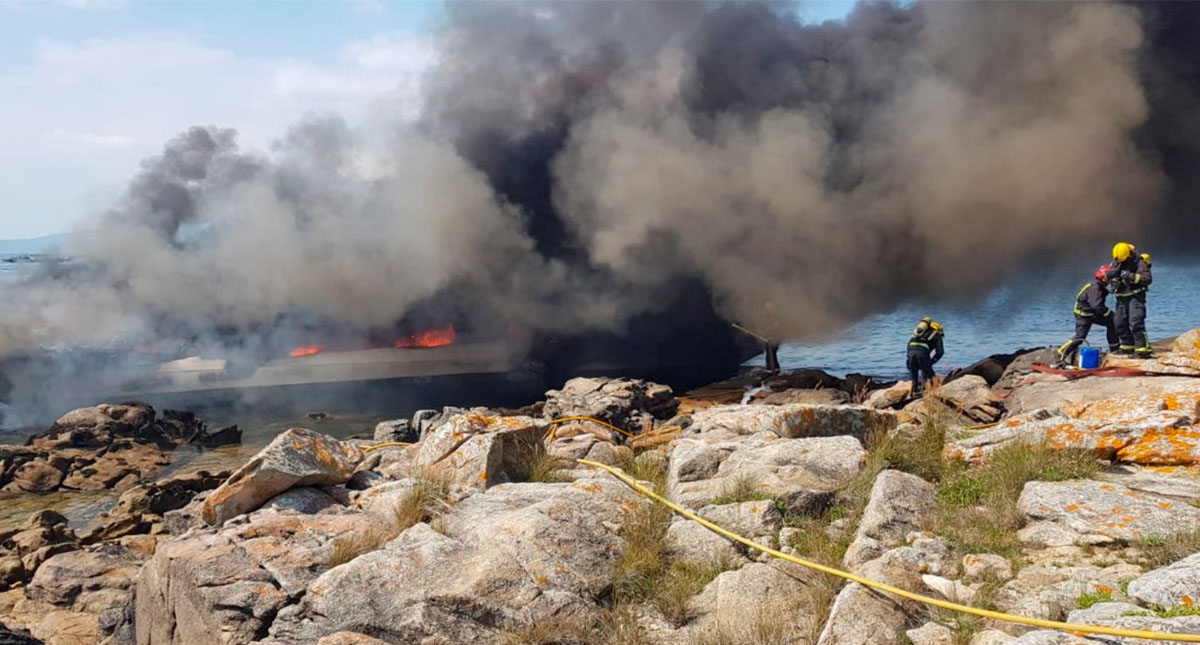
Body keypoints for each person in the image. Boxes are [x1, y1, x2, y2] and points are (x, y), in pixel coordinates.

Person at [1055, 264, 1119, 367]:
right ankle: (1060, 353)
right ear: (1104, 277)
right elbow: (1096, 305)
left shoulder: (1100, 286)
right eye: (1110, 277)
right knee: (1080, 337)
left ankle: (1115, 350)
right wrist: (1108, 313)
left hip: (1092, 313)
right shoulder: (1095, 287)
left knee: (1112, 323)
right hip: (1083, 314)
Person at [1105, 243, 1153, 357]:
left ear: (1129, 255)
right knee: (1119, 323)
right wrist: (1112, 276)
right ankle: (1127, 346)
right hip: (1121, 298)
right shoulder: (1116, 262)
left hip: (1135, 297)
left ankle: (1143, 349)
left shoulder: (1139, 263)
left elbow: (1147, 279)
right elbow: (1108, 274)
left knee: (1136, 322)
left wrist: (1130, 276)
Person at [907, 317, 944, 396]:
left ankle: (912, 392)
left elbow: (909, 344)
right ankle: (924, 393)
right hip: (922, 352)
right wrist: (932, 362)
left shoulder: (918, 333)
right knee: (926, 374)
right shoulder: (936, 334)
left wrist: (909, 358)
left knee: (913, 374)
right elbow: (940, 351)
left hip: (911, 350)